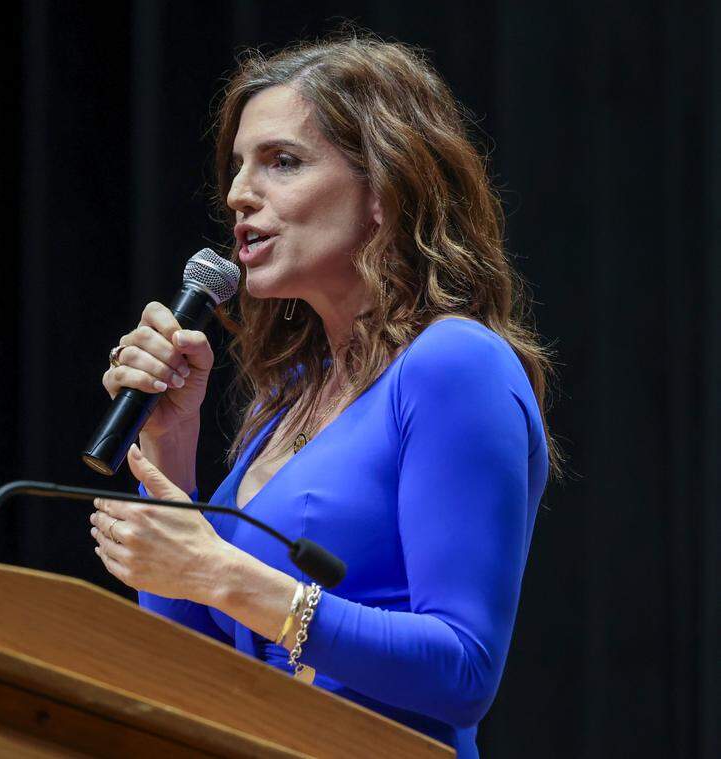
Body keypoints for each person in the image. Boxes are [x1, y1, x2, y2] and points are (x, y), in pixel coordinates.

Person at [91, 33, 555, 759]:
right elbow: (191, 673)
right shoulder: (289, 399)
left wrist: (227, 575)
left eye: (281, 162)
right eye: (238, 166)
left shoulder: (453, 364)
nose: (240, 192)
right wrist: (169, 445)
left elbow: (464, 669)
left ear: (383, 190)